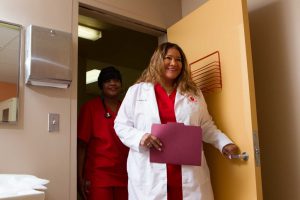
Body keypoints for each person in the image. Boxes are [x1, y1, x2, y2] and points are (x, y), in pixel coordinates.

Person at [114, 42, 239, 200]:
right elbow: (121, 125)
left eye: (179, 59)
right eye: (168, 58)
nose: (174, 63)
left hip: (188, 175)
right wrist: (140, 137)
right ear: (157, 61)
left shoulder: (193, 93)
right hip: (150, 176)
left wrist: (223, 143)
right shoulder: (137, 91)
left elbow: (205, 125)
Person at [77, 66, 129, 200]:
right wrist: (79, 177)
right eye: (108, 80)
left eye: (116, 80)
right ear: (101, 85)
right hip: (99, 176)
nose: (113, 83)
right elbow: (81, 145)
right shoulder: (90, 108)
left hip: (125, 175)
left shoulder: (127, 109)